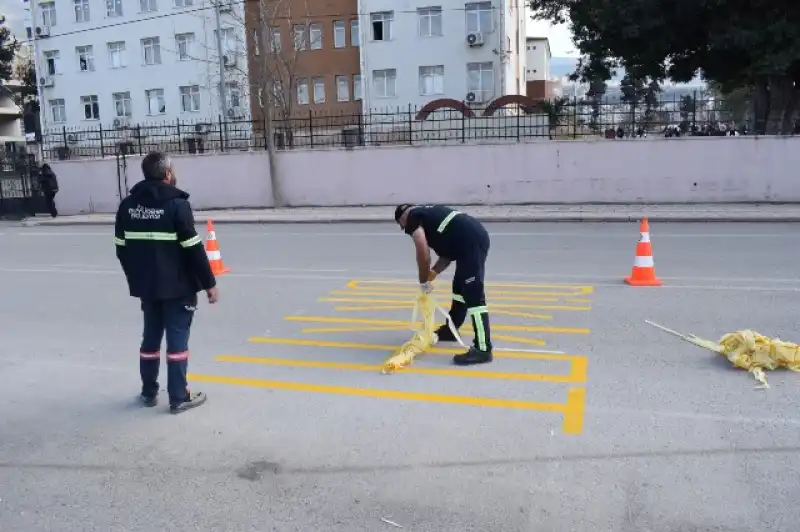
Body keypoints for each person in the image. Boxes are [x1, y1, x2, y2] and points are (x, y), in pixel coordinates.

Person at [114, 151, 218, 414]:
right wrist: (209, 284)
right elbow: (194, 249)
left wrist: (136, 277)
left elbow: (121, 248)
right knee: (177, 341)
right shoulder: (177, 205)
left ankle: (149, 392)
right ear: (168, 174)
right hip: (179, 288)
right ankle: (178, 396)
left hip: (148, 288)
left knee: (150, 339)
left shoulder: (128, 206)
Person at [394, 204, 492, 366]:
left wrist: (423, 280)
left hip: (470, 243)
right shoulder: (432, 218)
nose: (405, 230)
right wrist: (433, 273)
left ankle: (483, 349)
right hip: (470, 241)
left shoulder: (413, 218)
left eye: (402, 226)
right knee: (459, 288)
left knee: (473, 295)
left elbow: (423, 253)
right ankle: (451, 330)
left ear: (402, 219)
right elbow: (446, 257)